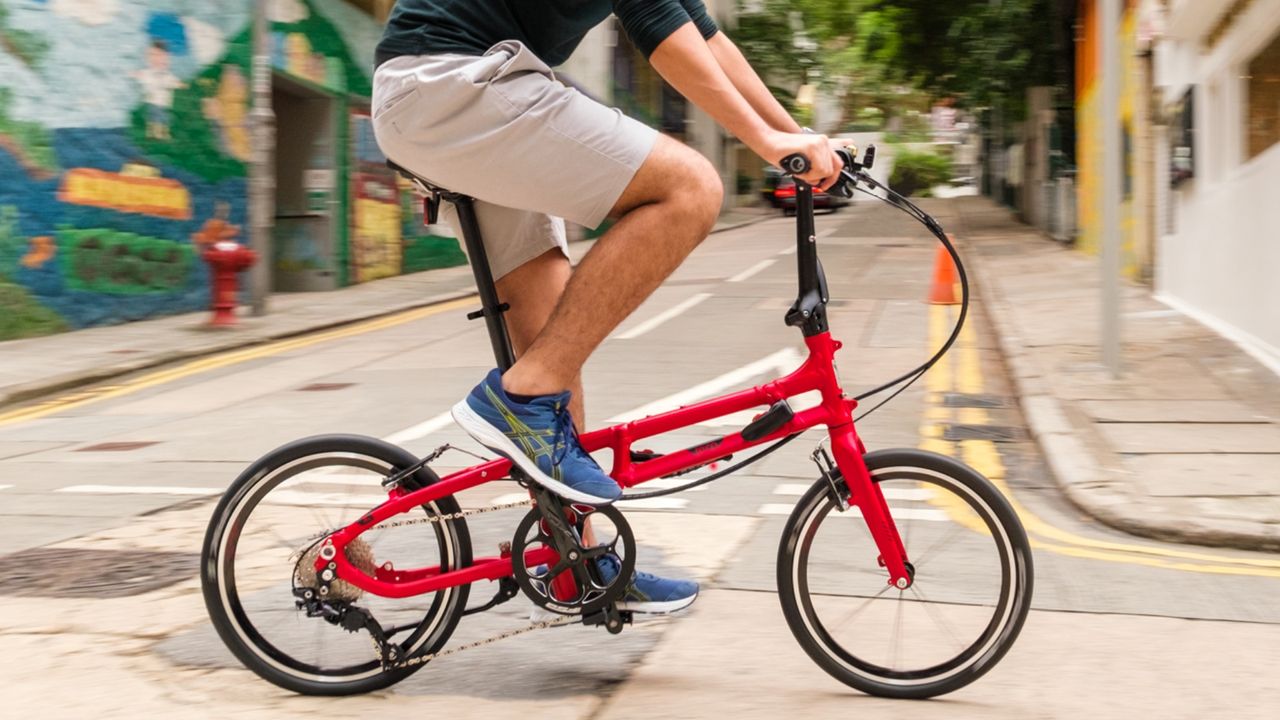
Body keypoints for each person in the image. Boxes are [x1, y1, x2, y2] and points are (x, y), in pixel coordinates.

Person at [372, 0, 843, 616]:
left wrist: (797, 138)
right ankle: (514, 400)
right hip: (451, 85)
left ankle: (578, 561)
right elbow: (660, 33)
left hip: (470, 94)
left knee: (551, 346)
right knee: (692, 188)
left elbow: (706, 38)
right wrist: (767, 142)